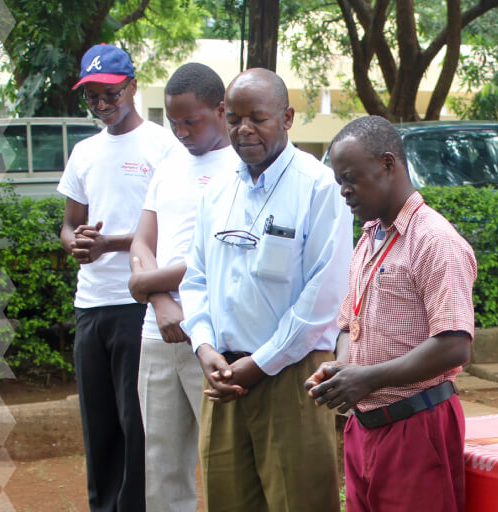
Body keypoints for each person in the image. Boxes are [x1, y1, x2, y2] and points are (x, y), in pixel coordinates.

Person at [178, 68, 352, 512]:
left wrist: (262, 362)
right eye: (233, 118)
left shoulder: (319, 188)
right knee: (228, 501)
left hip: (293, 377)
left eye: (258, 117)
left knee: (300, 502)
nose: (244, 129)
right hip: (224, 377)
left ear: (288, 118)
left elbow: (324, 298)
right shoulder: (216, 192)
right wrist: (203, 347)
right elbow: (195, 278)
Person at [305, 115, 477, 512]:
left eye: (351, 178)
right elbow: (350, 323)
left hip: (416, 425)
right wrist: (342, 369)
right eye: (339, 181)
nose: (344, 191)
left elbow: (454, 345)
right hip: (365, 426)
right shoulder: (369, 238)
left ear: (388, 164)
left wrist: (366, 378)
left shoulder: (434, 240)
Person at [57, 43, 183, 512]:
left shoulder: (163, 146)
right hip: (91, 305)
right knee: (99, 425)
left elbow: (169, 225)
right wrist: (77, 242)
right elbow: (70, 224)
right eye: (91, 96)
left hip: (141, 304)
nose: (102, 104)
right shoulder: (84, 151)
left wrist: (110, 244)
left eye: (110, 93)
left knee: (139, 426)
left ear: (131, 86)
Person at [127, 62, 239, 512]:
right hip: (158, 333)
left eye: (191, 121)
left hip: (212, 334)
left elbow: (221, 253)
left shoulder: (241, 166)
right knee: (162, 464)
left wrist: (142, 282)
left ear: (220, 109)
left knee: (222, 462)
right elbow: (141, 241)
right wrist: (158, 300)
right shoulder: (169, 166)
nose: (181, 132)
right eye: (173, 123)